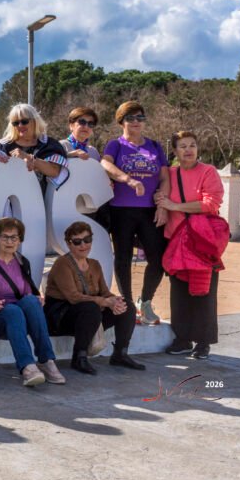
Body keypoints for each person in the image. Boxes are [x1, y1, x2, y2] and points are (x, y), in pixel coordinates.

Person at [0, 218, 64, 387]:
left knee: (31, 301)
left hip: (16, 321)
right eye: (5, 237)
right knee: (12, 311)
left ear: (20, 239)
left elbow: (25, 293)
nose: (9, 242)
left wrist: (37, 299)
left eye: (14, 237)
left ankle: (46, 361)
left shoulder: (23, 262)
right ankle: (27, 367)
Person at [156, 131, 226, 360]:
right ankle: (183, 338)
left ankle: (203, 342)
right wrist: (161, 202)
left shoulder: (208, 172)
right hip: (176, 241)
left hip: (201, 241)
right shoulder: (170, 174)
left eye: (192, 145)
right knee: (179, 294)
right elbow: (159, 194)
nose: (188, 150)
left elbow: (210, 204)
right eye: (183, 146)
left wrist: (173, 206)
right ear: (175, 151)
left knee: (204, 292)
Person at [100, 100, 169, 325]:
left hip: (150, 210)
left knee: (158, 258)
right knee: (123, 258)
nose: (136, 122)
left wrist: (162, 205)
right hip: (121, 210)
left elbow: (165, 177)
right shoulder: (115, 145)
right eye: (131, 118)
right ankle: (128, 305)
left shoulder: (155, 146)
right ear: (122, 121)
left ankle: (145, 302)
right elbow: (105, 164)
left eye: (140, 117)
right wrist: (128, 180)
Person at [44, 221, 145, 374]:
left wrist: (114, 301)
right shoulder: (62, 263)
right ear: (69, 244)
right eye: (77, 242)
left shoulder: (95, 264)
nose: (83, 245)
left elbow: (105, 292)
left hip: (89, 315)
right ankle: (79, 357)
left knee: (127, 306)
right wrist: (104, 301)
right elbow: (73, 297)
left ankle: (120, 354)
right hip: (61, 317)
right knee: (90, 307)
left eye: (87, 240)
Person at [0, 103, 69, 194]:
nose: (20, 125)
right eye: (15, 123)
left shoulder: (49, 144)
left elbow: (55, 171)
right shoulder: (5, 145)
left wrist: (29, 158)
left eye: (24, 121)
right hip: (12, 201)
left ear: (35, 121)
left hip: (43, 202)